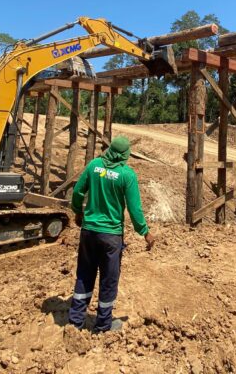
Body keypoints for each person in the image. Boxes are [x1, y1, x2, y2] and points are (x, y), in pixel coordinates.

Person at [68, 136, 155, 332]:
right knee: (108, 280)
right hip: (111, 236)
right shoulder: (127, 174)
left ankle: (75, 323)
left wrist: (78, 212)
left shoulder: (94, 166)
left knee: (84, 274)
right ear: (125, 155)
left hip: (89, 232)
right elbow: (134, 209)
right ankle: (103, 325)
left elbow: (77, 192)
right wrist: (145, 232)